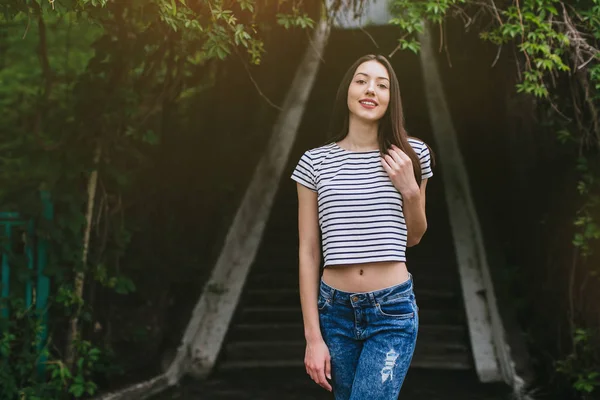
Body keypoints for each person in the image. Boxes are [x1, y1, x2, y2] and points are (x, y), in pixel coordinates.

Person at [291, 54, 434, 399]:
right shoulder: (314, 162)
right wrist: (313, 337)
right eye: (362, 80)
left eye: (382, 85)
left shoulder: (411, 154)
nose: (371, 89)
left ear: (391, 98)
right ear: (347, 91)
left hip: (392, 311)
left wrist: (410, 189)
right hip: (334, 313)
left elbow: (413, 237)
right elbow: (309, 251)